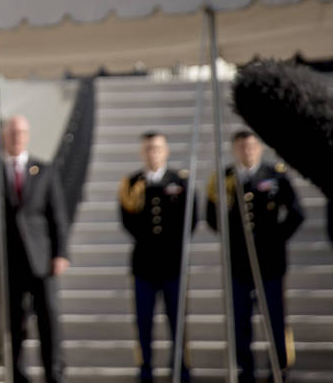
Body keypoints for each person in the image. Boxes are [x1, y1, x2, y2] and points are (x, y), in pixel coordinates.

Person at [206, 130, 304, 383]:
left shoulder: (275, 175)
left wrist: (276, 238)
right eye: (241, 147)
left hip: (270, 261)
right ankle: (244, 368)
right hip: (239, 262)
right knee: (240, 319)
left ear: (259, 148)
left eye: (250, 147)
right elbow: (211, 215)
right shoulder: (223, 178)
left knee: (274, 317)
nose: (246, 152)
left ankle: (278, 367)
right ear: (234, 149)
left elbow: (296, 212)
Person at [0, 115, 68, 383]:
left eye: (21, 132)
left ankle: (53, 372)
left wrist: (61, 253)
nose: (16, 137)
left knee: (48, 320)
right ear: (5, 135)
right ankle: (18, 374)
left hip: (40, 259)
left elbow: (57, 216)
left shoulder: (44, 170)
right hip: (8, 261)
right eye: (12, 132)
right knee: (13, 322)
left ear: (27, 135)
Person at [118, 131, 196, 382]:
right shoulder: (131, 183)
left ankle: (180, 368)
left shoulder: (180, 181)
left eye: (158, 148)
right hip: (144, 264)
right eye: (149, 149)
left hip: (173, 264)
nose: (153, 153)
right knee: (144, 323)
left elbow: (190, 220)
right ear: (142, 152)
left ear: (166, 151)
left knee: (177, 321)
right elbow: (127, 220)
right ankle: (146, 369)